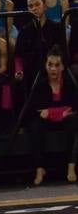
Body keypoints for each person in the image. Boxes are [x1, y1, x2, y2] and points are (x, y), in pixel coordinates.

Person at [24, 49, 77, 185]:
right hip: (46, 121)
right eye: (50, 65)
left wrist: (53, 112)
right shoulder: (41, 85)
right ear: (46, 66)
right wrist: (59, 112)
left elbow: (73, 107)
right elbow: (37, 110)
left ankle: (71, 166)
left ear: (63, 66)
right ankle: (40, 168)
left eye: (57, 65)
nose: (53, 69)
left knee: (73, 121)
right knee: (35, 125)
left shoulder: (69, 83)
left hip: (66, 120)